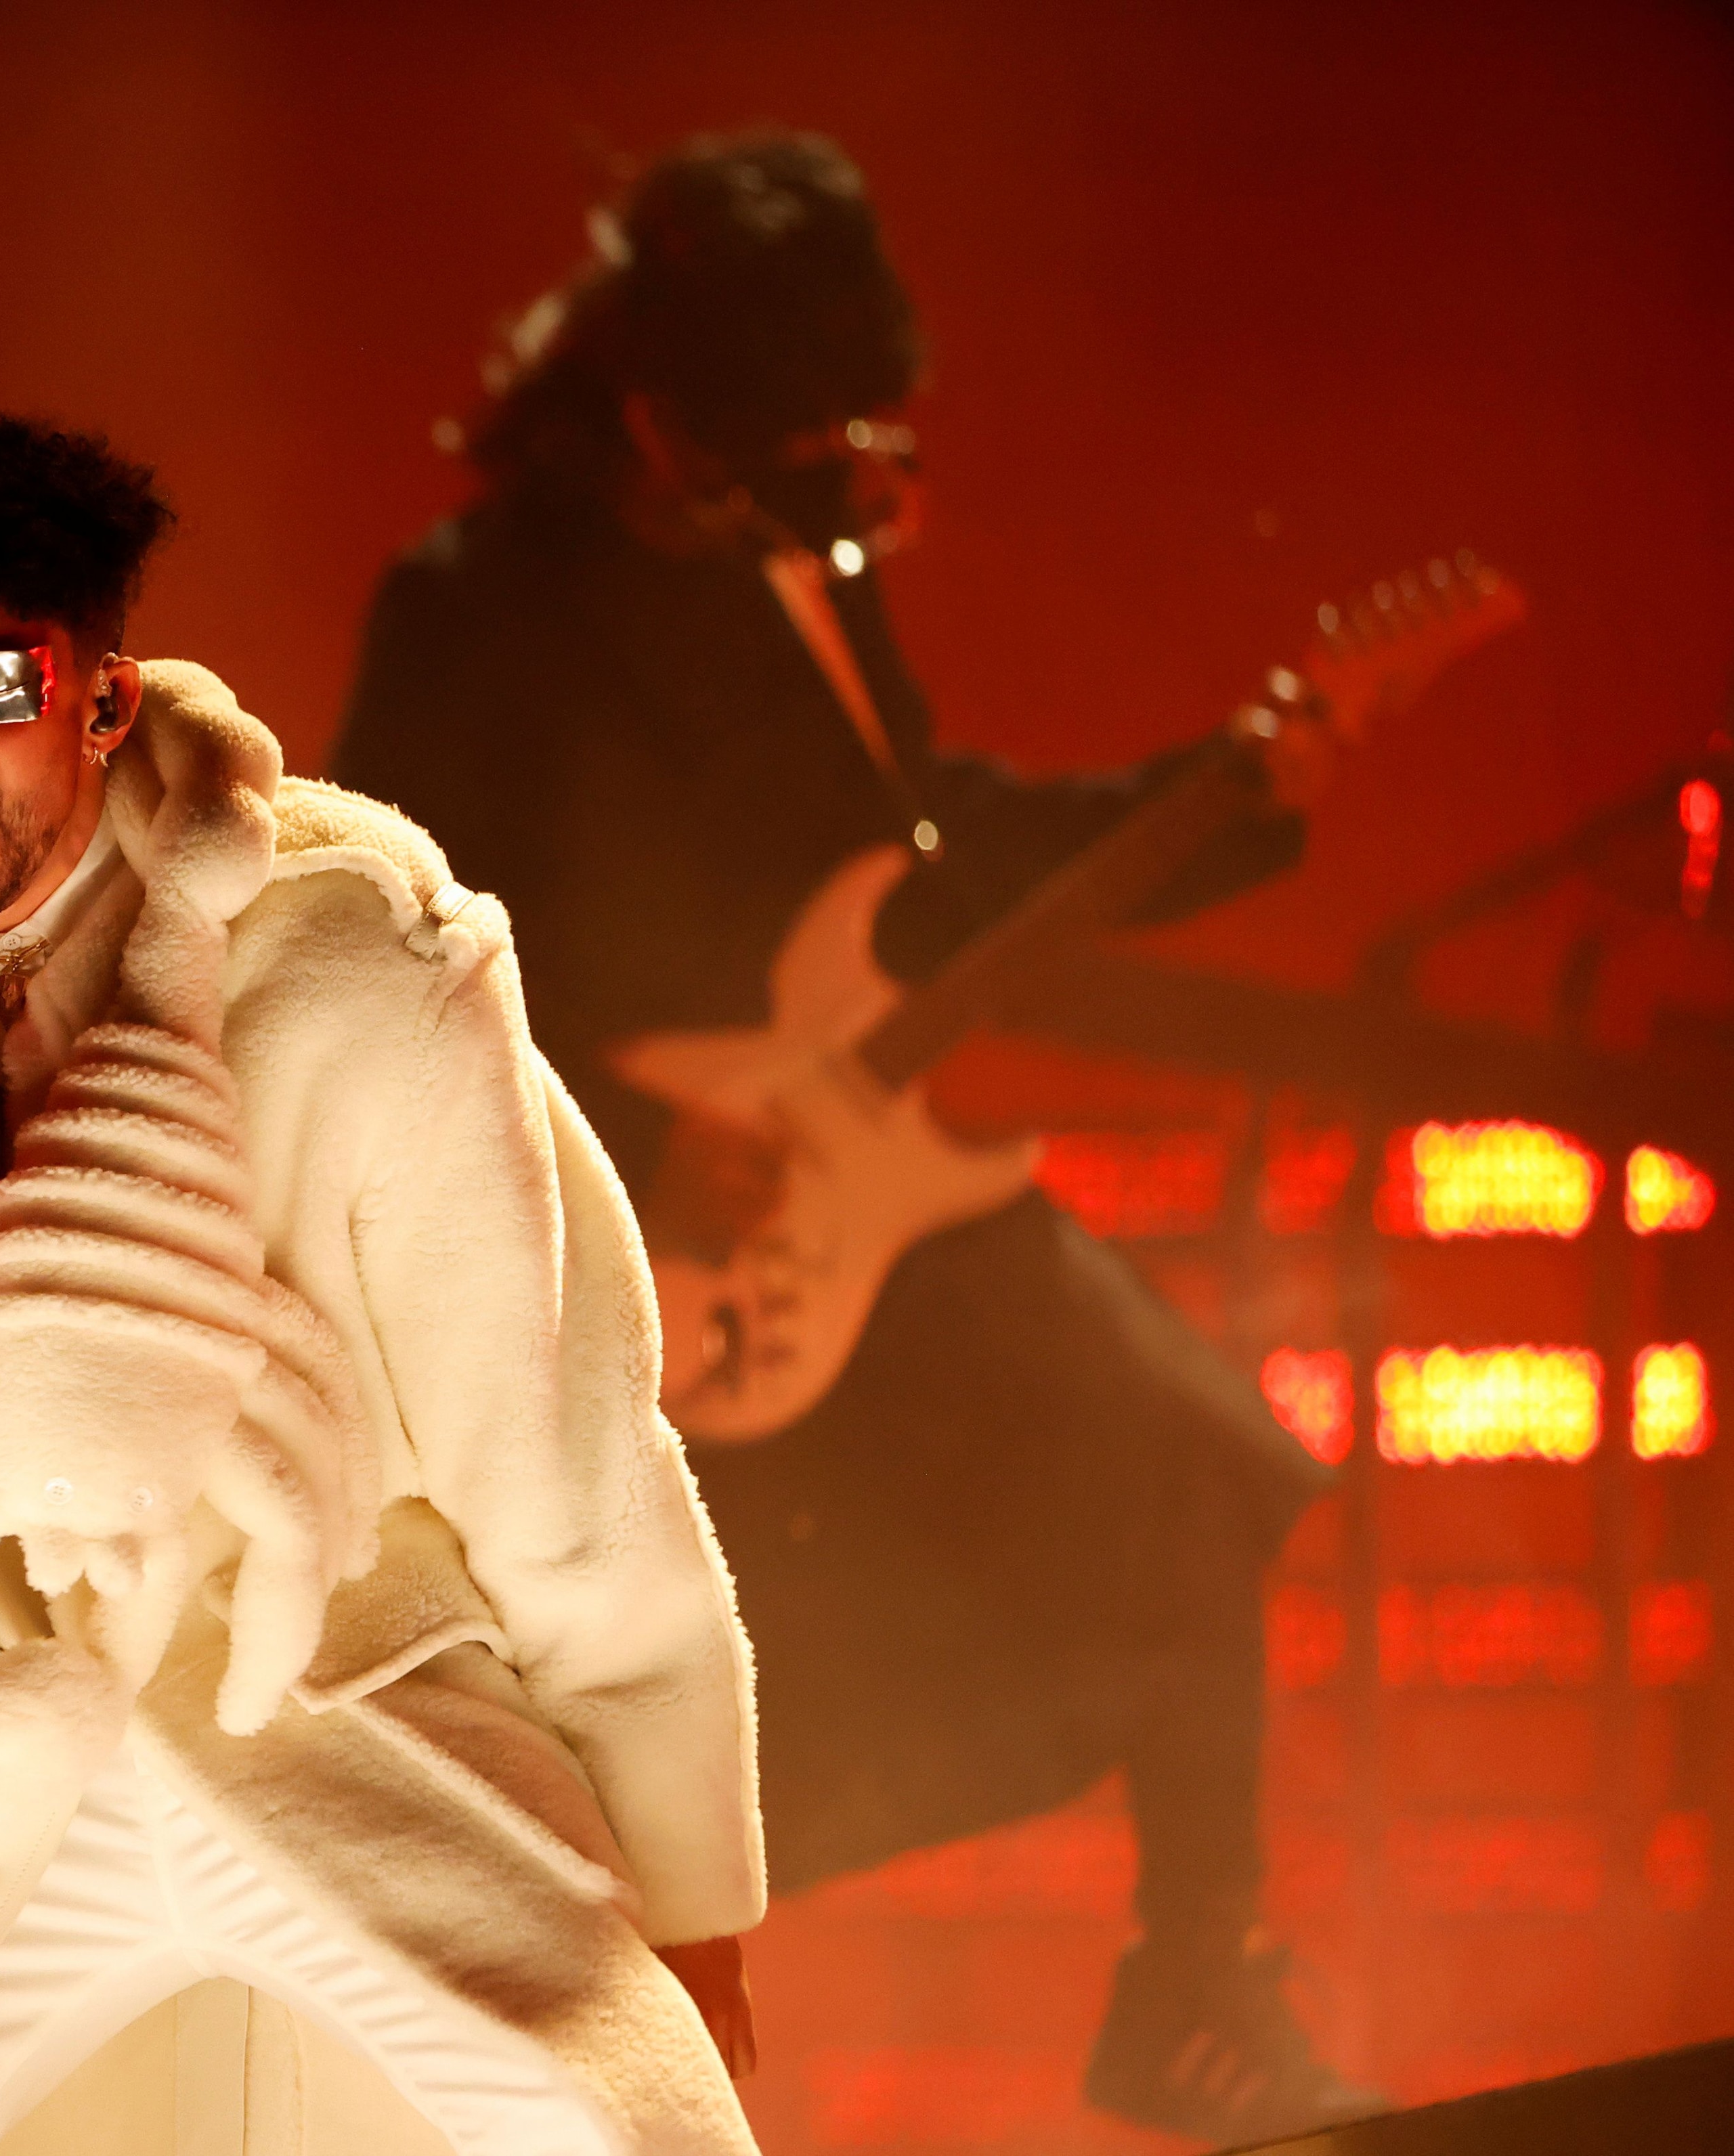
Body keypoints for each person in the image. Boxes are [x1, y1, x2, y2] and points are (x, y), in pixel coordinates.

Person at [331, 135, 1377, 2145]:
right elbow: (371, 949)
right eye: (795, 433)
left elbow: (933, 848)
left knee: (1192, 1487)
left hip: (867, 1193)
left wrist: (1230, 794)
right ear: (655, 418)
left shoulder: (804, 577)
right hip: (627, 1239)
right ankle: (559, 2019)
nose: (844, 470)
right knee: (730, 1706)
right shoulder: (477, 613)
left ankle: (1196, 1991)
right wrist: (633, 1127)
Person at [0, 400, 766, 2155]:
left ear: (100, 695)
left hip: (344, 1699)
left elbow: (562, 1463)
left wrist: (691, 1898)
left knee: (615, 2135)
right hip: (23, 1728)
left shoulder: (355, 958)